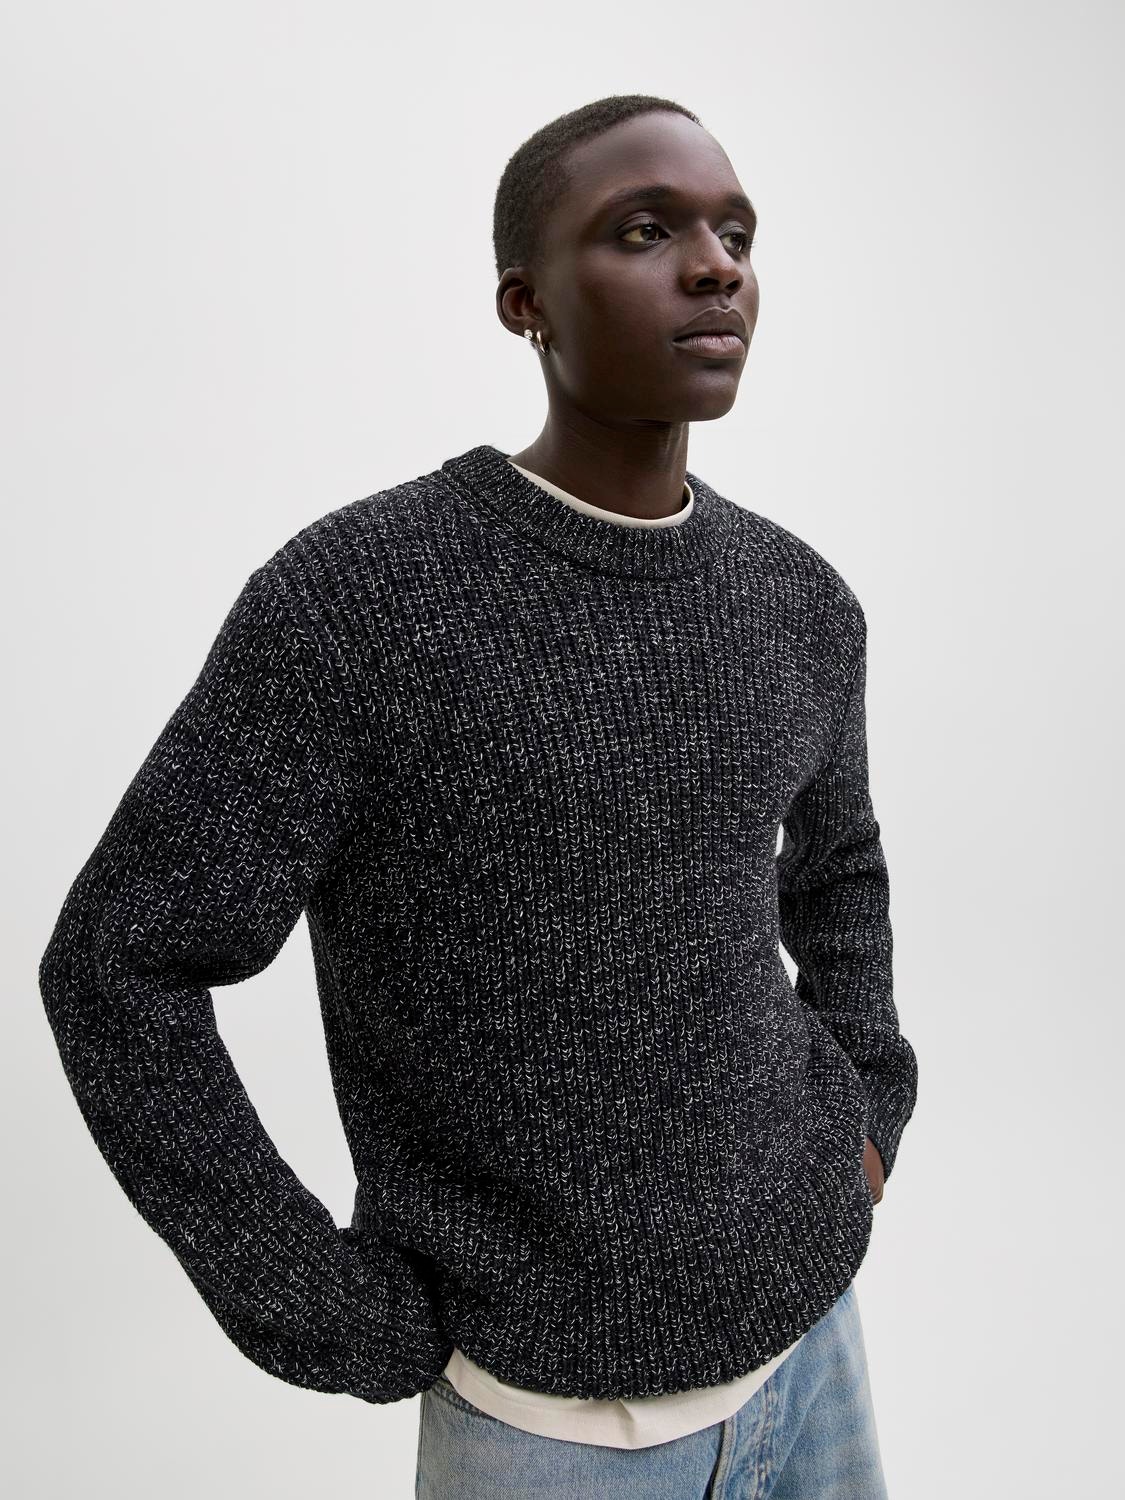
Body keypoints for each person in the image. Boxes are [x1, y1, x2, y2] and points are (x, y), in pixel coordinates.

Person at [39, 94, 917, 1500]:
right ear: (525, 302)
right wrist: (313, 1300)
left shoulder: (797, 600)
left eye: (736, 235)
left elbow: (837, 867)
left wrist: (868, 1101)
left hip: (814, 1348)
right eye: (646, 232)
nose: (715, 267)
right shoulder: (358, 604)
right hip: (542, 1427)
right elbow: (119, 964)